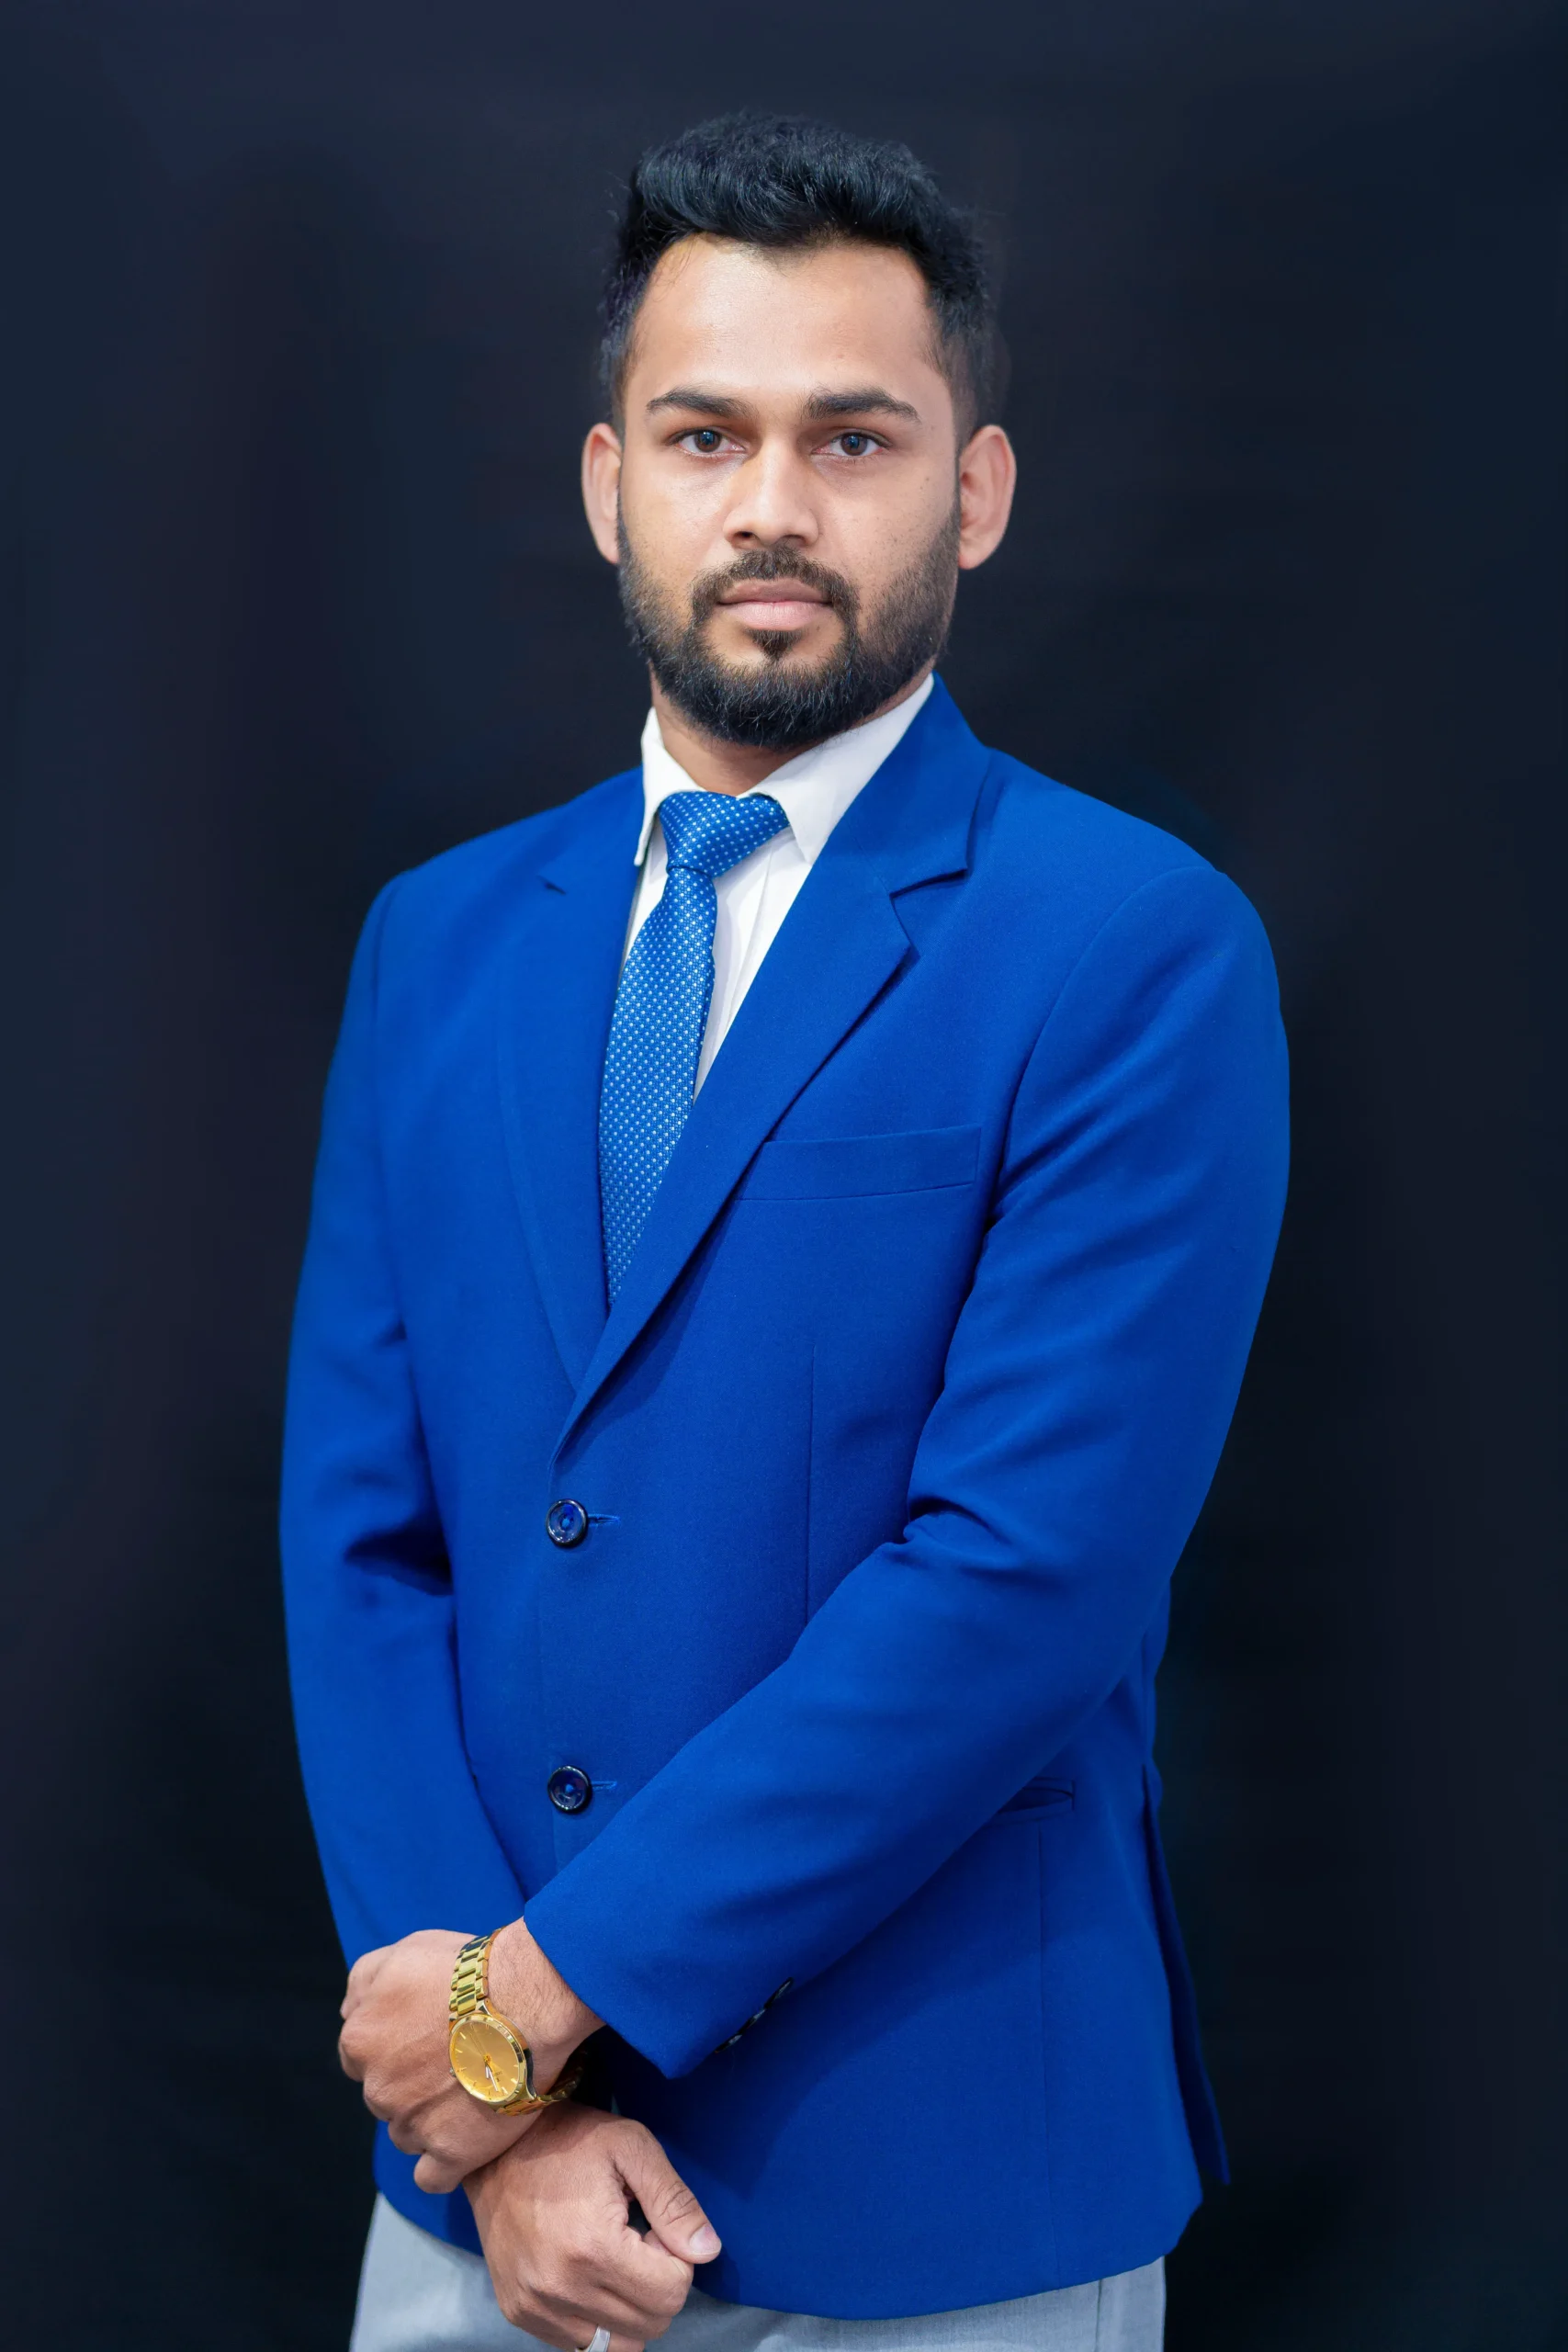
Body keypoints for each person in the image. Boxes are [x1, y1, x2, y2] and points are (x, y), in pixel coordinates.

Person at [282, 112, 1289, 2352]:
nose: (769, 505)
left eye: (853, 437)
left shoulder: (1133, 944)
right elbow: (364, 1549)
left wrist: (530, 2003)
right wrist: (495, 2103)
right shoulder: (437, 942)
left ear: (976, 488)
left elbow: (1019, 1577)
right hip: (481, 2203)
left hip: (936, 2190)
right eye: (702, 433)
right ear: (604, 482)